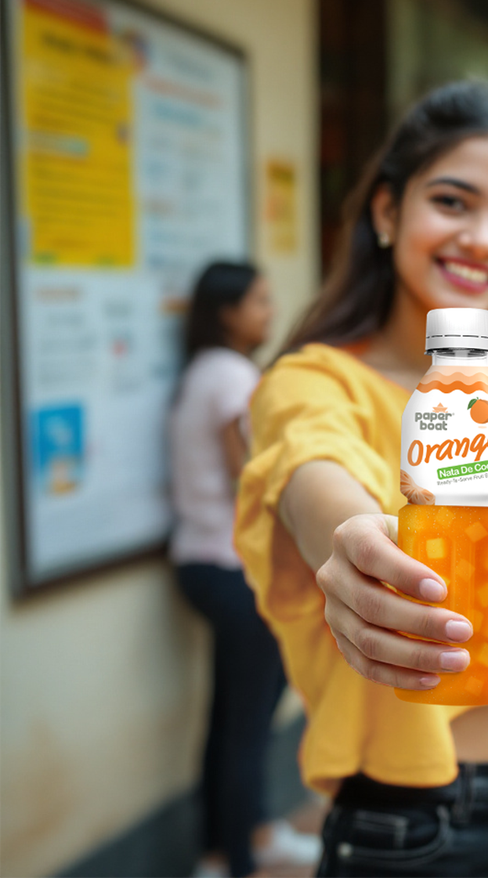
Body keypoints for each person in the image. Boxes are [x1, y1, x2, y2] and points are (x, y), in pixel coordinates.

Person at [234, 81, 488, 877]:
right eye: (453, 202)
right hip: (417, 831)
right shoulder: (314, 381)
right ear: (388, 213)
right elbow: (309, 461)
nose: (484, 240)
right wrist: (358, 544)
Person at [170, 262, 321, 878]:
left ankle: (228, 847)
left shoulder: (201, 371)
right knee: (248, 722)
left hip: (197, 560)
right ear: (226, 311)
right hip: (234, 567)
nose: (269, 309)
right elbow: (252, 472)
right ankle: (241, 857)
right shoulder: (233, 375)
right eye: (258, 300)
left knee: (232, 715)